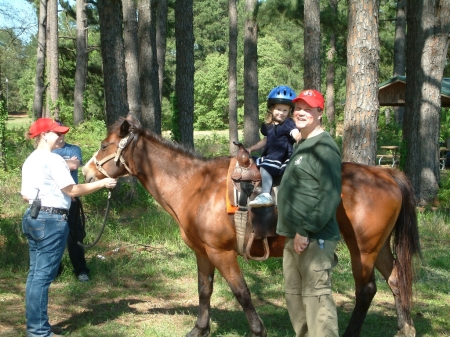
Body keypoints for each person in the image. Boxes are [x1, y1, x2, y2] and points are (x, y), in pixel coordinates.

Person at [21, 118, 117, 337]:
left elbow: (26, 195)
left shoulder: (31, 160)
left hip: (33, 217)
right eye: (56, 133)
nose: (61, 136)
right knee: (43, 276)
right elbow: (72, 190)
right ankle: (38, 332)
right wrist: (102, 183)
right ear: (44, 135)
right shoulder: (53, 160)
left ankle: (37, 325)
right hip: (51, 220)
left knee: (35, 275)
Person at [276, 89, 342, 337]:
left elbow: (329, 196)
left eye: (308, 108)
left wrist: (305, 230)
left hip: (314, 237)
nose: (301, 112)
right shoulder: (302, 143)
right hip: (294, 236)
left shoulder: (324, 147)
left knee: (316, 298)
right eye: (297, 108)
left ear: (319, 113)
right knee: (294, 296)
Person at [246, 85, 301, 207]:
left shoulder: (288, 123)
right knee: (253, 163)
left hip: (281, 155)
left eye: (285, 110)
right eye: (278, 109)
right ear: (272, 109)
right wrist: (251, 148)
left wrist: (300, 139)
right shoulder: (268, 126)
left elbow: (295, 133)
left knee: (265, 167)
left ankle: (266, 194)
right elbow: (265, 140)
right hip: (270, 154)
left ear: (290, 111)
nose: (281, 113)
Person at [52, 120, 90, 282]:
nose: (60, 136)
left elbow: (75, 165)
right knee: (53, 236)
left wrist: (59, 163)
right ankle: (54, 270)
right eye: (57, 133)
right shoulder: (46, 153)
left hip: (72, 200)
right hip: (53, 201)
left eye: (62, 133)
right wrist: (66, 162)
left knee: (75, 236)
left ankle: (81, 270)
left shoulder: (74, 148)